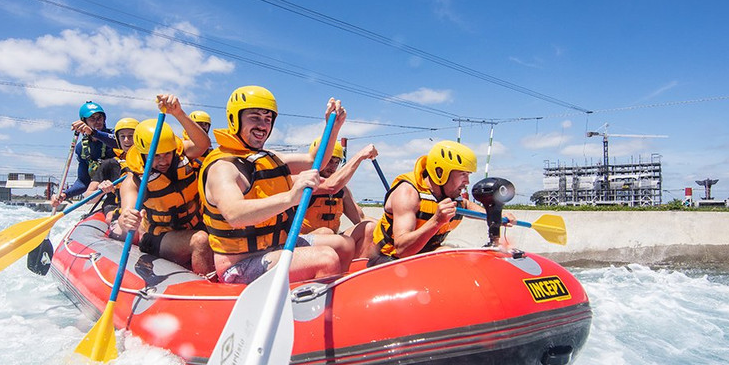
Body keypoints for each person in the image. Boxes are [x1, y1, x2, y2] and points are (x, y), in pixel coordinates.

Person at [198, 85, 353, 284]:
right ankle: (312, 309)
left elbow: (316, 161)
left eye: (267, 119)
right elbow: (235, 215)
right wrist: (290, 197)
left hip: (275, 246)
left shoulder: (266, 158)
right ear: (234, 119)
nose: (263, 125)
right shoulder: (223, 167)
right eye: (254, 117)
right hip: (241, 264)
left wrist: (333, 128)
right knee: (327, 258)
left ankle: (337, 296)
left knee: (344, 245)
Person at [115, 95, 214, 274]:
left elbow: (203, 144)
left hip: (193, 224)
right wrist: (126, 219)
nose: (163, 161)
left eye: (167, 154)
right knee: (201, 240)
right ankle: (207, 287)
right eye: (156, 156)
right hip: (158, 237)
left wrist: (178, 113)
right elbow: (125, 215)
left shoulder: (181, 153)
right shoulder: (134, 180)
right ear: (143, 154)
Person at [371, 140, 515, 264]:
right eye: (462, 174)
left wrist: (495, 216)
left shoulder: (451, 194)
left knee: (452, 255)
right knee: (447, 255)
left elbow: (467, 205)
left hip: (423, 254)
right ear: (440, 172)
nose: (467, 182)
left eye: (468, 175)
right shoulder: (407, 193)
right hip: (389, 260)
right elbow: (402, 249)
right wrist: (436, 221)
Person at [300, 139, 380, 261]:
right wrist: (360, 156)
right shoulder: (304, 183)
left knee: (370, 228)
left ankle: (353, 272)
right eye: (329, 160)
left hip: (333, 240)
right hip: (303, 243)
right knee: (325, 232)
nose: (333, 166)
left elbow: (360, 218)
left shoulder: (342, 190)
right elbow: (330, 186)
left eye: (337, 162)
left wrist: (388, 224)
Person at [51, 101, 118, 208]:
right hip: (103, 188)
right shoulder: (81, 148)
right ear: (84, 121)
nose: (97, 121)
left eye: (99, 118)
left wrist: (93, 132)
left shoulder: (116, 135)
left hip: (121, 186)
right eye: (92, 118)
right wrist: (65, 194)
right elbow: (83, 181)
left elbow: (117, 142)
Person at [85, 117, 139, 229]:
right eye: (122, 136)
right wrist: (101, 189)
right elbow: (88, 198)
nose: (126, 140)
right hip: (114, 206)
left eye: (131, 136)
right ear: (118, 140)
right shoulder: (109, 164)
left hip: (140, 207)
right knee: (110, 217)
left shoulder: (147, 164)